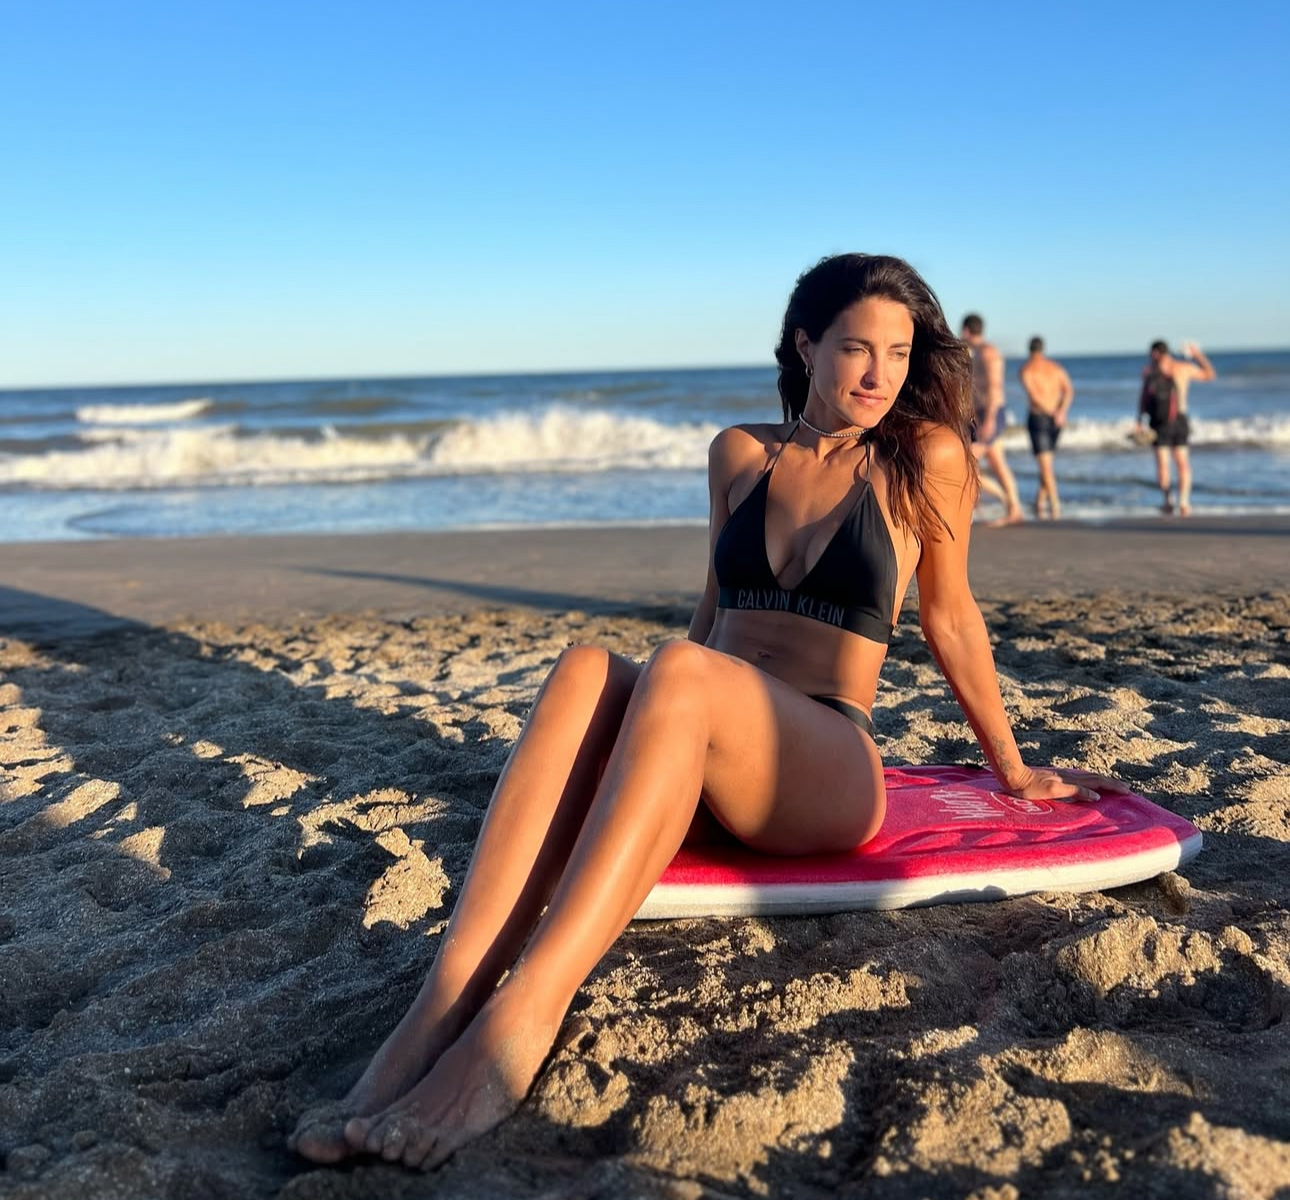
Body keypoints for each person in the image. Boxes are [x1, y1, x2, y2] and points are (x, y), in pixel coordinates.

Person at [289, 253, 1126, 1173]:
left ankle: (522, 1019)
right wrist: (638, 733)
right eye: (857, 348)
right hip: (708, 743)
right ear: (806, 347)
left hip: (825, 765)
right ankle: (435, 1013)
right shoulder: (739, 454)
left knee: (680, 670)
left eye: (897, 352)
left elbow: (951, 618)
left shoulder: (924, 457)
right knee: (587, 667)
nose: (880, 374)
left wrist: (1012, 768)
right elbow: (711, 614)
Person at [1138, 339, 1216, 516]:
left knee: (1171, 464)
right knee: (1175, 464)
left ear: (1155, 354)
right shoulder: (1175, 369)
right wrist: (1197, 355)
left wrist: (1139, 419)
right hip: (1170, 420)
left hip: (1168, 421)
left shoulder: (1156, 371)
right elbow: (1210, 374)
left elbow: (1143, 398)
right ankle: (1178, 501)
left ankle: (1174, 501)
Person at [960, 313, 1024, 526]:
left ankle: (1007, 502)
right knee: (997, 463)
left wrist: (989, 420)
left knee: (965, 462)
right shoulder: (976, 353)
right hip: (981, 414)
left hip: (991, 414)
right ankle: (1014, 508)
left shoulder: (988, 353)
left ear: (966, 330)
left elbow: (995, 387)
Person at [1018, 337, 1074, 519]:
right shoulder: (1056, 368)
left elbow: (1034, 396)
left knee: (1046, 467)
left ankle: (1055, 504)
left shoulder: (1027, 370)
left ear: (1029, 350)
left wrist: (1052, 412)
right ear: (1042, 349)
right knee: (1047, 464)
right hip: (1056, 419)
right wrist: (1061, 411)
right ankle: (1040, 501)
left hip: (1040, 418)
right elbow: (1069, 390)